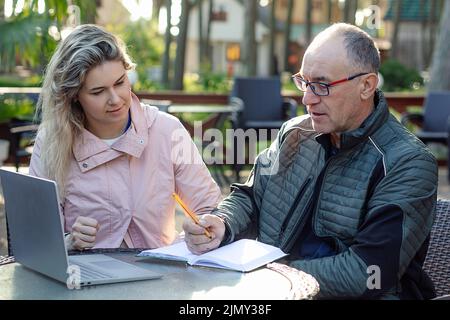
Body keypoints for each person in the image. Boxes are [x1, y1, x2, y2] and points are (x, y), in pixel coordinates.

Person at [183, 23, 438, 300]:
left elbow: (369, 273)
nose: (307, 98)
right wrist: (222, 222)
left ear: (366, 85)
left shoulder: (407, 162)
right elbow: (251, 196)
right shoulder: (294, 133)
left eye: (322, 85)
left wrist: (273, 276)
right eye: (304, 82)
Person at [29, 24, 222, 251]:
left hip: (158, 279)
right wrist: (68, 241)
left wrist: (200, 234)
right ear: (73, 96)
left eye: (120, 82)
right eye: (98, 91)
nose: (115, 99)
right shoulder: (52, 142)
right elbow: (37, 236)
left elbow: (209, 207)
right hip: (82, 278)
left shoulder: (167, 130)